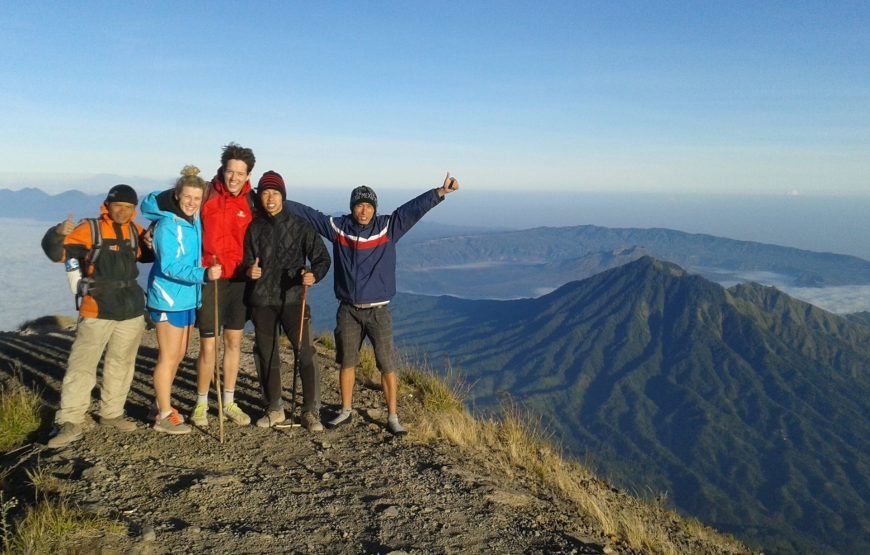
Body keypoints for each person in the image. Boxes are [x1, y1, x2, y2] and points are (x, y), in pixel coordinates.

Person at [284, 173, 460, 436]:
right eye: (359, 205)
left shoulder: (388, 227)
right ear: (352, 206)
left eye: (368, 205)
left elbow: (413, 209)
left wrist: (439, 192)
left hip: (379, 311)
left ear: (375, 208)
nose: (363, 210)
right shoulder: (340, 229)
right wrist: (277, 199)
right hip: (348, 310)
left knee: (387, 365)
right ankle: (345, 411)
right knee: (347, 362)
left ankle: (393, 416)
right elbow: (310, 214)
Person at [41, 184, 152, 448]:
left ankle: (111, 413)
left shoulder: (135, 232)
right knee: (82, 365)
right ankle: (69, 420)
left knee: (122, 364)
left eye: (129, 208)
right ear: (108, 205)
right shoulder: (90, 229)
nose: (123, 212)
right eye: (119, 206)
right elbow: (58, 254)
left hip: (130, 309)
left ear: (134, 210)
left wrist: (151, 241)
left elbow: (147, 256)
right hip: (96, 308)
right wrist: (57, 233)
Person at [243, 171, 331, 430]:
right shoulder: (254, 228)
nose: (270, 198)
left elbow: (322, 259)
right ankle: (274, 408)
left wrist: (313, 275)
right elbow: (247, 259)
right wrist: (250, 270)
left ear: (283, 196)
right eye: (265, 193)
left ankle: (310, 410)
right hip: (262, 300)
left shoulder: (301, 226)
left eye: (275, 193)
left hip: (293, 298)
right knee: (266, 354)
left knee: (305, 352)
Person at [141, 166, 221, 434]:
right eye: (187, 196)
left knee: (179, 354)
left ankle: (158, 405)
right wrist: (205, 274)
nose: (192, 202)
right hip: (167, 298)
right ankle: (164, 415)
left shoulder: (192, 220)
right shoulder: (166, 225)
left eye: (197, 198)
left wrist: (193, 174)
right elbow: (169, 266)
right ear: (176, 196)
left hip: (186, 297)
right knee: (169, 356)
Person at [189, 143, 257, 427]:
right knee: (208, 346)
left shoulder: (252, 201)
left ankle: (228, 401)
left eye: (240, 173)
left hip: (239, 282)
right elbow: (172, 207)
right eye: (231, 171)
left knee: (233, 342)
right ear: (223, 170)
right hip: (210, 279)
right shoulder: (206, 193)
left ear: (248, 175)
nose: (234, 178)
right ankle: (201, 404)